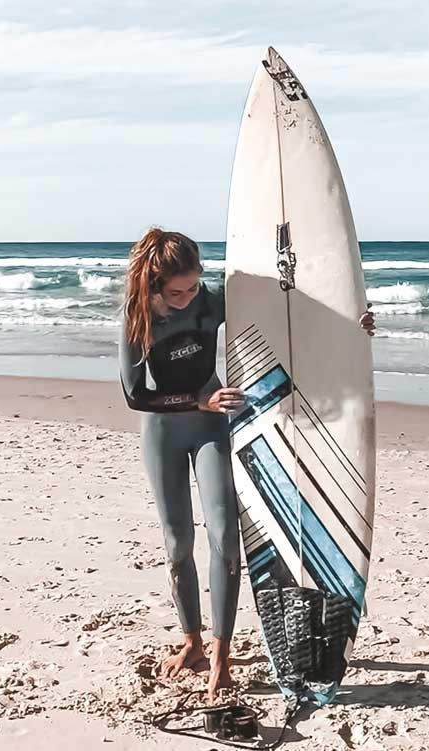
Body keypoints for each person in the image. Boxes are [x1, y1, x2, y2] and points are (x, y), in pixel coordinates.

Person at [118, 227, 375, 701]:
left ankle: (220, 654)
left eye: (193, 286)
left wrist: (354, 326)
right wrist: (198, 398)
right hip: (164, 434)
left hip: (212, 426)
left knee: (225, 538)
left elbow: (287, 316)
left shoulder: (210, 303)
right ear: (152, 286)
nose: (187, 297)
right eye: (176, 292)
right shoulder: (138, 317)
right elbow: (136, 395)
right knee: (178, 543)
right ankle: (191, 641)